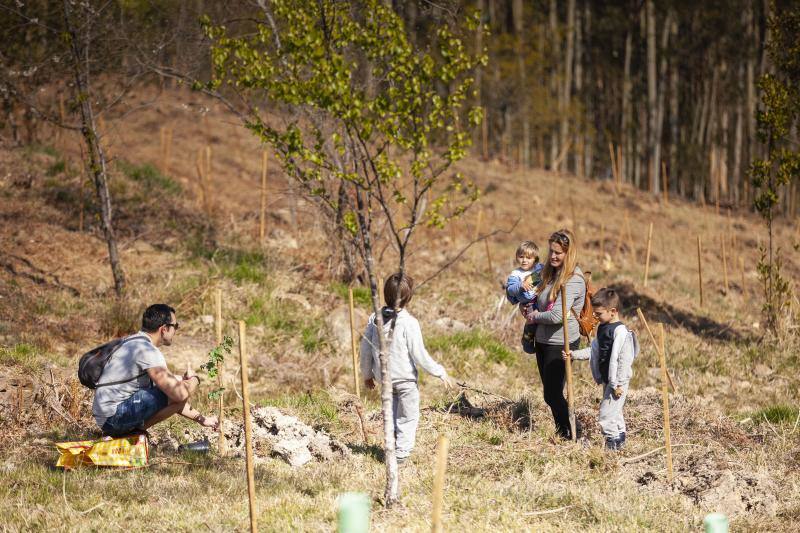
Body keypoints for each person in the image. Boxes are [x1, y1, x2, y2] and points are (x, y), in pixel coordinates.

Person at [359, 273, 454, 464]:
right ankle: (401, 454)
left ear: (385, 295)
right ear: (408, 298)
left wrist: (367, 374)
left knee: (390, 414)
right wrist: (439, 371)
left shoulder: (374, 320)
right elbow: (419, 354)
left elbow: (365, 348)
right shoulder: (409, 323)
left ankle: (391, 448)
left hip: (385, 380)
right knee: (408, 417)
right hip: (406, 381)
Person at [92, 304, 218, 437]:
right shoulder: (148, 351)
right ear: (164, 329)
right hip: (114, 418)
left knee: (176, 383)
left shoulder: (132, 341)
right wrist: (195, 380)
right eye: (175, 326)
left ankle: (134, 431)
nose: (176, 330)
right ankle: (132, 433)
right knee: (178, 388)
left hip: (107, 416)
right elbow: (179, 395)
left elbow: (175, 398)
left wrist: (202, 419)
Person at [524, 229, 586, 440]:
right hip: (543, 340)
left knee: (551, 394)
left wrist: (534, 317)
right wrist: (530, 309)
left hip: (561, 342)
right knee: (552, 393)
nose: (553, 256)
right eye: (551, 251)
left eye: (558, 253)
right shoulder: (550, 273)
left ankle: (575, 430)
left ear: (569, 253)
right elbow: (539, 302)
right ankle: (563, 432)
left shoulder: (574, 280)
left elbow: (557, 315)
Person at [563, 288, 639, 450]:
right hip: (608, 379)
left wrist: (618, 384)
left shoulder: (621, 333)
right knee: (615, 413)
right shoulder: (603, 328)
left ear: (613, 311)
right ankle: (620, 442)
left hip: (617, 382)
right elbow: (595, 351)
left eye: (598, 314)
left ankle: (612, 446)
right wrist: (574, 354)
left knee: (605, 415)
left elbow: (625, 360)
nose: (595, 317)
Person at [505, 241, 545, 354]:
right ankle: (527, 340)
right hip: (529, 303)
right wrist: (520, 285)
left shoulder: (539, 269)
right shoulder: (516, 273)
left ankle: (542, 341)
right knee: (532, 322)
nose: (524, 260)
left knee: (543, 323)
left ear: (535, 259)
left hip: (540, 299)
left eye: (528, 257)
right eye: (521, 256)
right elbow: (510, 290)